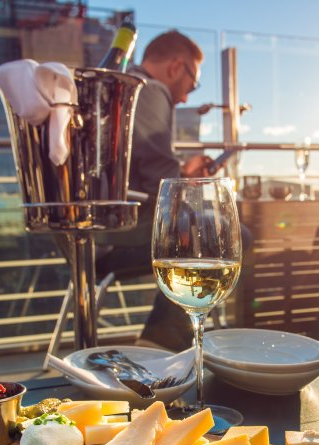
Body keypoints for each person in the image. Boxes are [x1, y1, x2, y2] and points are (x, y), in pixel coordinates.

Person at [95, 30, 217, 351]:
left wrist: (182, 171)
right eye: (192, 85)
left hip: (86, 238)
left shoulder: (113, 88)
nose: (188, 97)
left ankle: (169, 340)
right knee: (220, 236)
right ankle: (160, 346)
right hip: (116, 238)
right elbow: (164, 187)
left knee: (199, 228)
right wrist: (185, 177)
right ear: (177, 66)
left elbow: (144, 170)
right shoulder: (148, 91)